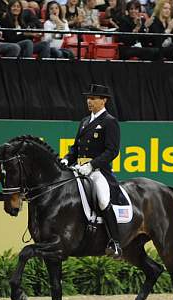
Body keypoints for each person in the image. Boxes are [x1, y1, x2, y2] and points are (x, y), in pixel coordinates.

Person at [60, 84, 123, 258]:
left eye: (94, 98)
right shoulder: (84, 121)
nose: (89, 101)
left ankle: (115, 242)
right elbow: (76, 147)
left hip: (97, 171)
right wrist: (67, 158)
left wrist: (92, 165)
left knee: (103, 200)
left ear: (104, 101)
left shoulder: (109, 122)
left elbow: (112, 151)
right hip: (78, 168)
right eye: (88, 98)